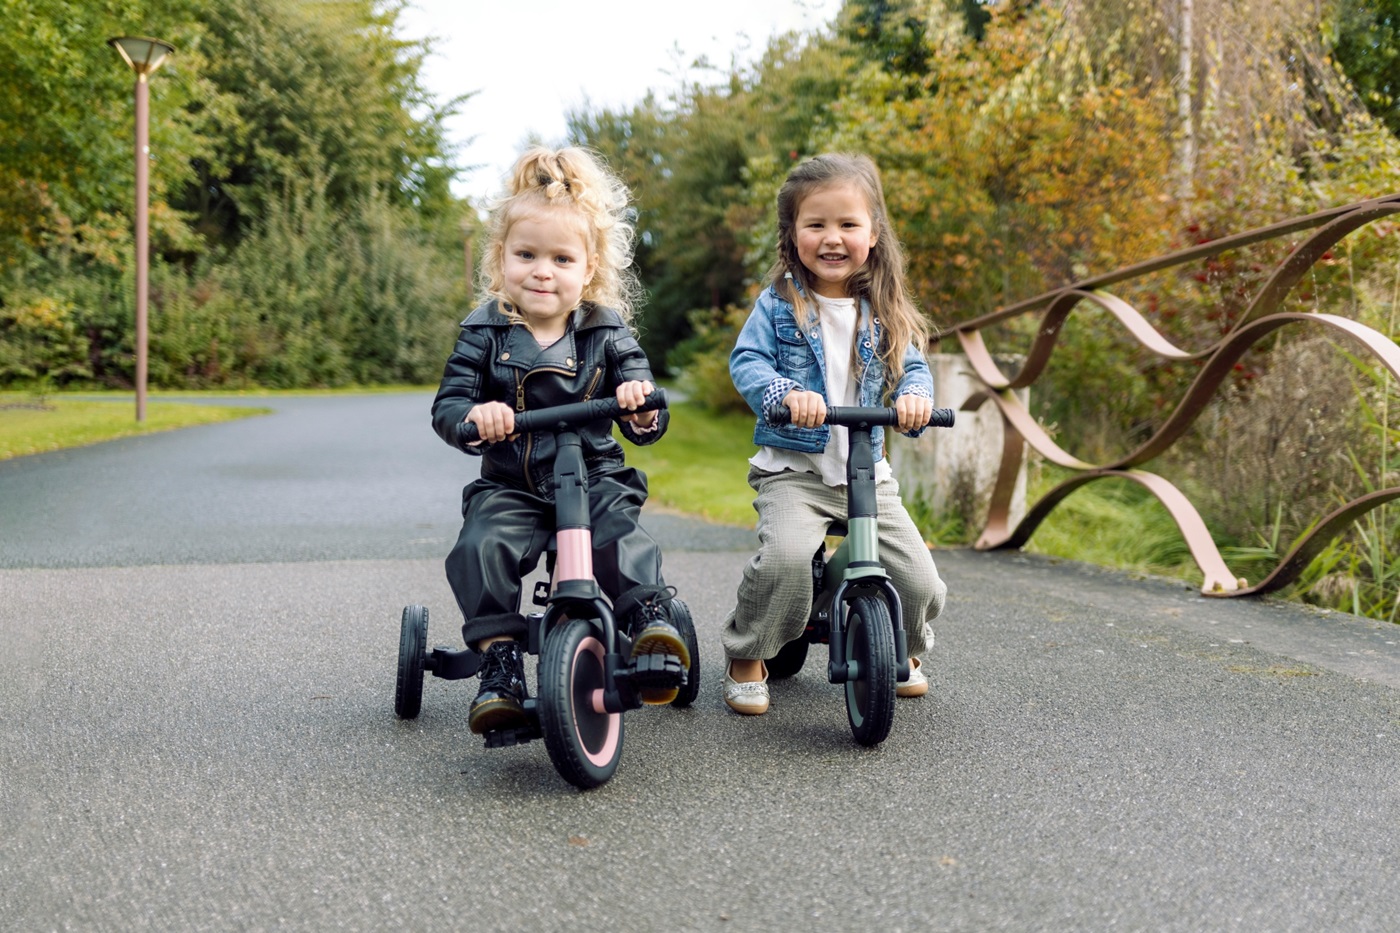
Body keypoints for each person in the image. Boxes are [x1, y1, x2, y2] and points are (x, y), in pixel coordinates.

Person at [431, 146, 688, 735]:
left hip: (593, 474)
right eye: (526, 255)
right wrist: (477, 416)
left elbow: (644, 399)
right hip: (513, 485)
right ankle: (498, 662)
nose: (542, 271)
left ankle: (649, 615)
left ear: (588, 269)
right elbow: (448, 406)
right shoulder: (484, 333)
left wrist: (640, 406)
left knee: (618, 532)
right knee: (480, 547)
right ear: (502, 260)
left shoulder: (607, 331)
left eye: (560, 258)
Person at [721, 152, 948, 715]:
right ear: (792, 233)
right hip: (795, 472)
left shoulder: (885, 310)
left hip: (868, 471)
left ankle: (903, 649)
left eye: (848, 224)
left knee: (921, 580)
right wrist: (782, 395)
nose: (832, 238)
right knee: (785, 561)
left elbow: (912, 366)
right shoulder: (779, 305)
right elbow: (748, 362)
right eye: (816, 224)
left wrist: (916, 396)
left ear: (873, 234)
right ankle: (748, 653)